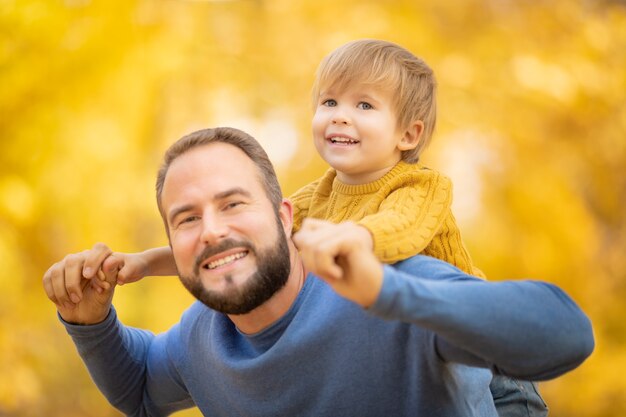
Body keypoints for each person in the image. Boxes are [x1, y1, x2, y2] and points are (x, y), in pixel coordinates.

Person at [91, 40, 545, 414]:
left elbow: (397, 232)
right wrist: (146, 263)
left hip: (485, 365)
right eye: (329, 101)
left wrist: (349, 240)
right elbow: (246, 242)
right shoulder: (319, 196)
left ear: (408, 135)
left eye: (364, 105)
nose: (340, 115)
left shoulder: (421, 187)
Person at [43, 127, 594, 417]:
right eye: (186, 219)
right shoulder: (197, 343)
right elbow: (139, 389)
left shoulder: (386, 286)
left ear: (287, 219)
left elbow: (568, 336)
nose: (210, 230)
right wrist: (90, 322)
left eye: (234, 204)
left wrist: (393, 294)